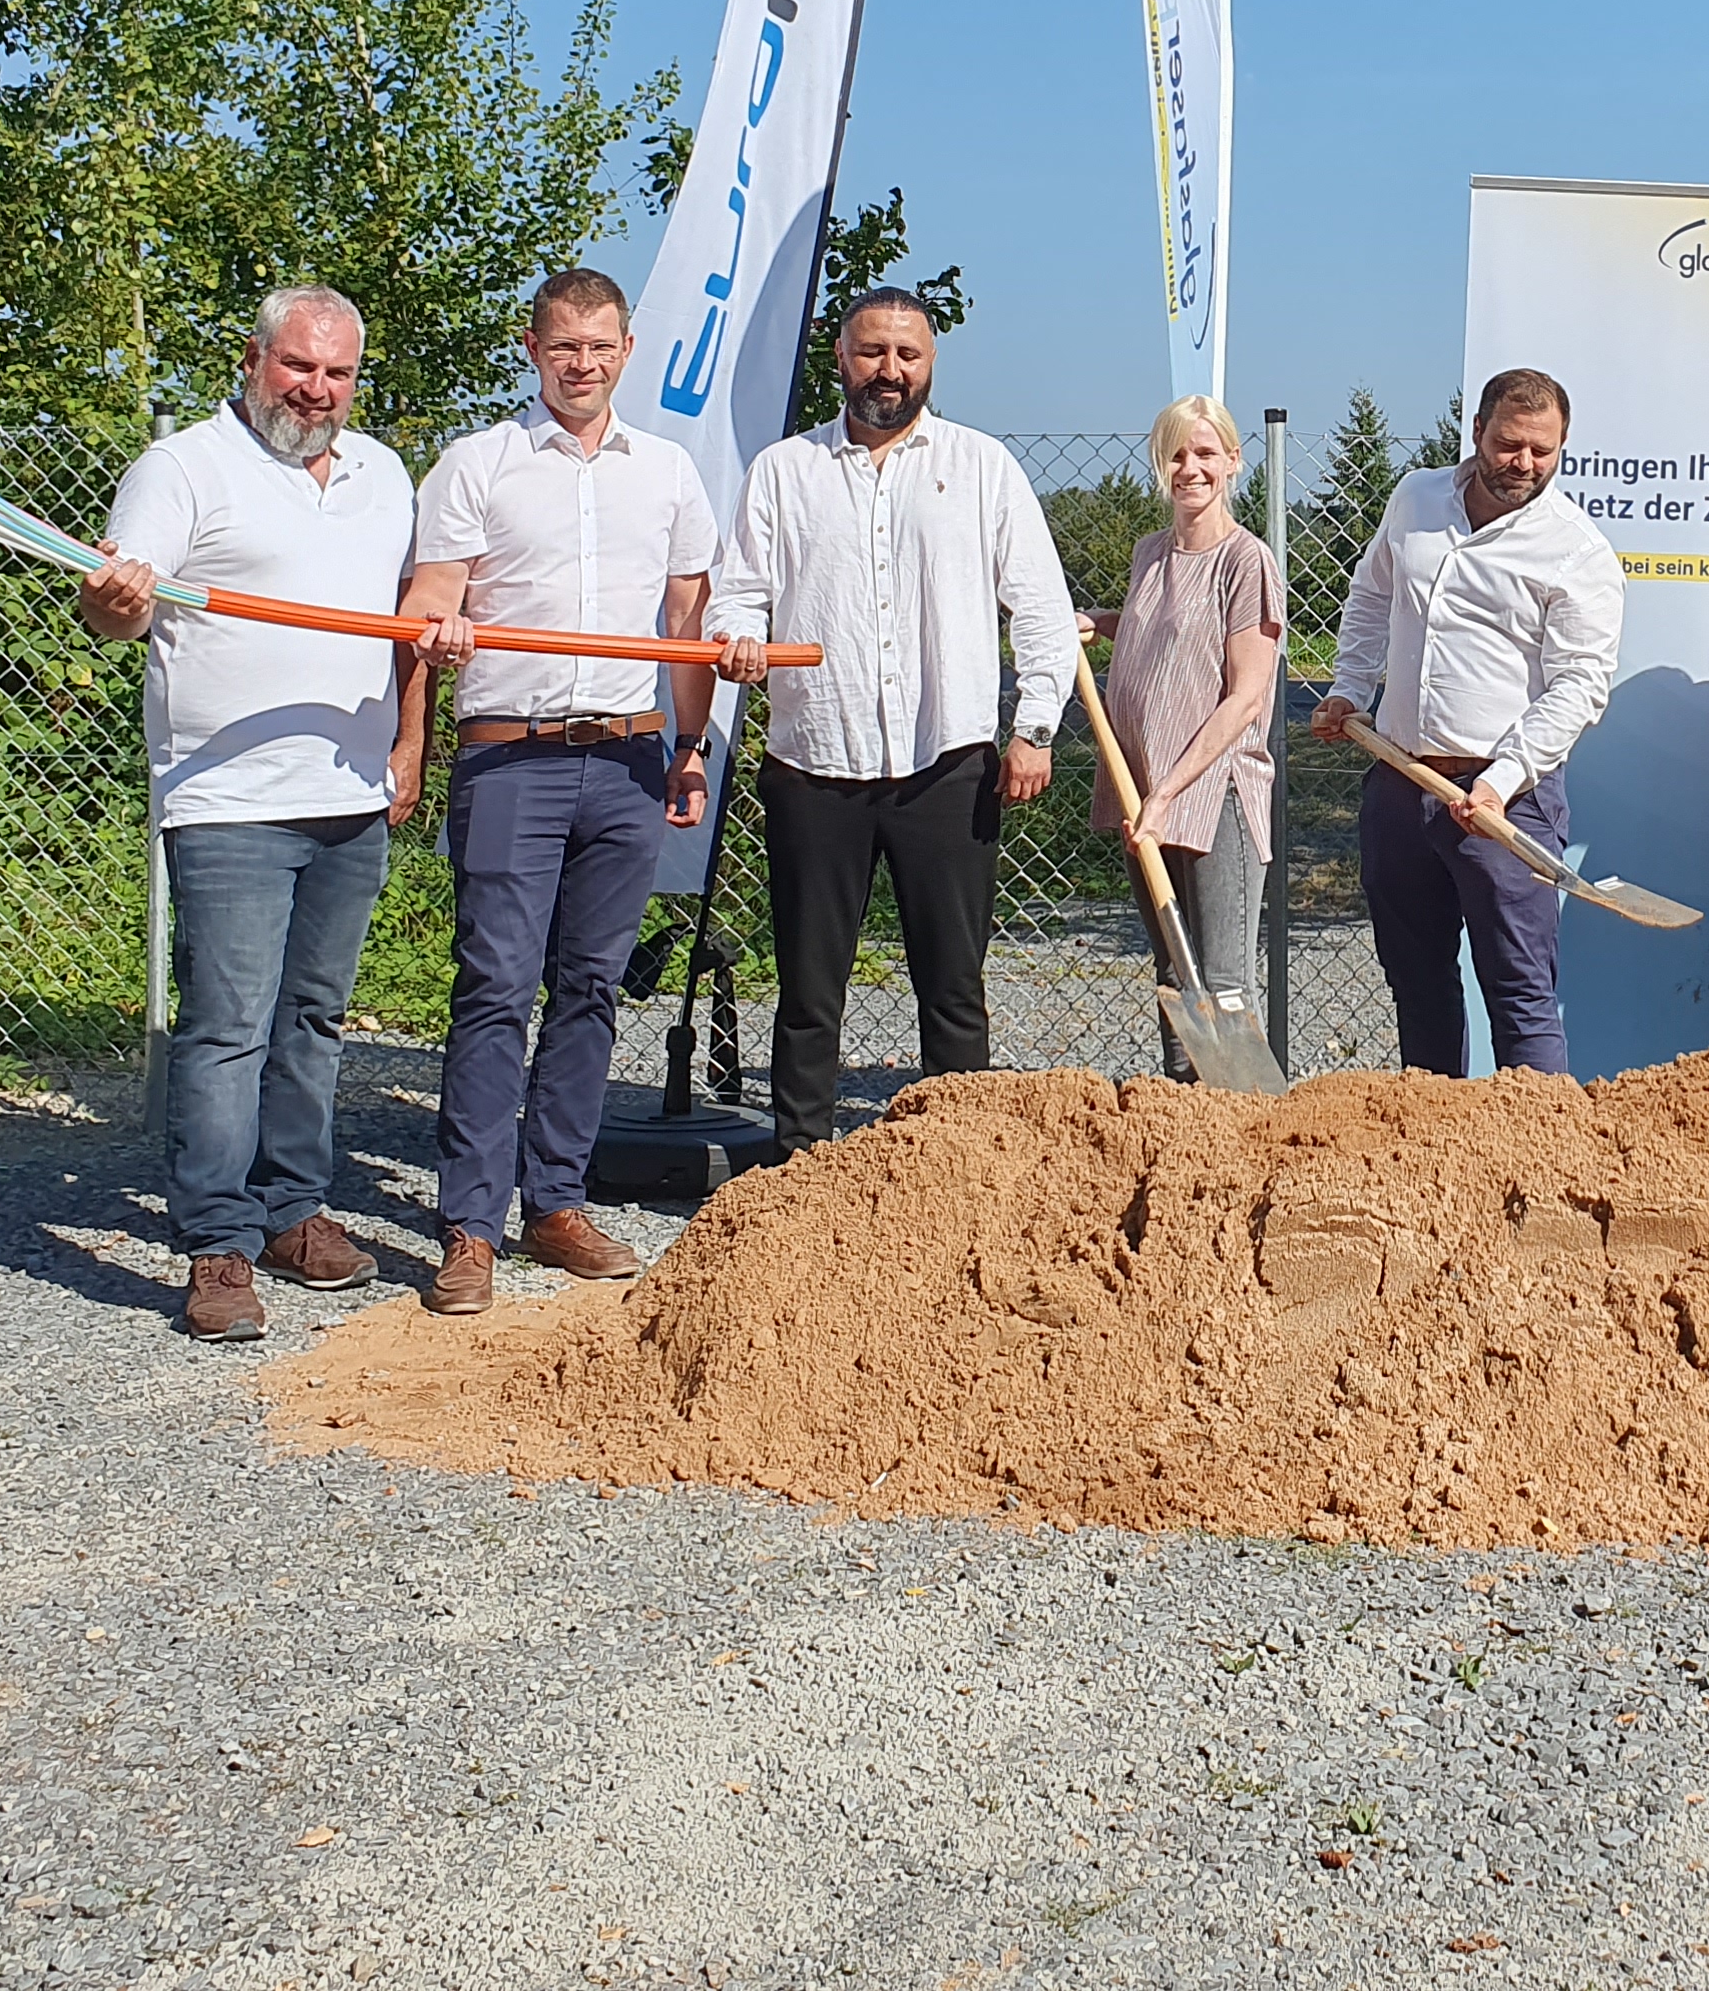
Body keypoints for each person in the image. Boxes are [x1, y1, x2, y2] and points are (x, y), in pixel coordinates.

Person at [76, 286, 420, 1342]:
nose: (315, 391)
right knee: (227, 1028)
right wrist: (117, 606)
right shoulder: (182, 469)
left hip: (351, 795)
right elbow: (108, 608)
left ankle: (292, 1210)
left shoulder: (384, 475)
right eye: (297, 368)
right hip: (229, 800)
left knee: (312, 1021)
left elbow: (408, 625)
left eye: (337, 374)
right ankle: (217, 1245)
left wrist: (408, 747)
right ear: (253, 360)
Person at [392, 269, 719, 1318]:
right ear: (532, 350)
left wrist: (690, 747)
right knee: (495, 986)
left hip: (626, 758)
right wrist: (417, 720)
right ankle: (470, 1226)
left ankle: (557, 1204)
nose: (581, 362)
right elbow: (427, 608)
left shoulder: (667, 473)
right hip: (511, 757)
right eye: (562, 345)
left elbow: (686, 623)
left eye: (600, 345)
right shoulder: (476, 465)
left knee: (589, 987)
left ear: (627, 352)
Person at [708, 287, 1072, 1147]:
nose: (890, 371)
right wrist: (739, 640)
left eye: (908, 356)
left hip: (946, 763)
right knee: (808, 988)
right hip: (814, 761)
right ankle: (799, 1170)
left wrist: (1034, 726)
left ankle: (952, 1168)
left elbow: (1043, 610)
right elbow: (739, 595)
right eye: (873, 352)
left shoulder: (983, 469)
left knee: (951, 985)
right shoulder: (783, 471)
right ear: (841, 357)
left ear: (931, 364)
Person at [1311, 368, 1622, 1077]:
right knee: (1416, 985)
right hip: (1397, 780)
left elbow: (1581, 687)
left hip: (1505, 803)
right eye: (1510, 444)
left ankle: (1538, 1158)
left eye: (1544, 451)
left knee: (1520, 997)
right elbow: (1371, 594)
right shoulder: (1417, 497)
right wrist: (1350, 688)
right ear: (1477, 430)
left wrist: (1502, 781)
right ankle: (1431, 1146)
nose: (1525, 464)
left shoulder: (1578, 550)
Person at [1076, 397, 1285, 1070]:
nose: (1190, 469)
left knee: (1219, 982)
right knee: (1172, 968)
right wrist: (1100, 623)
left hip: (1210, 789)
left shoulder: (1245, 561)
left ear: (1233, 462)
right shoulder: (1151, 554)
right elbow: (1161, 628)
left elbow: (1246, 695)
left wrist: (1167, 793)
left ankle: (1234, 1123)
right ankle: (1178, 1117)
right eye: (1176, 454)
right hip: (1142, 784)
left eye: (1205, 454)